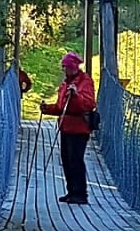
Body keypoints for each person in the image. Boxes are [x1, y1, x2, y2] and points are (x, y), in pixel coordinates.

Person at [40, 51, 98, 204]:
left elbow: (88, 104)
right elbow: (61, 107)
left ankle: (80, 193)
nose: (63, 69)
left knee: (76, 160)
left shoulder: (85, 81)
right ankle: (71, 191)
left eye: (65, 66)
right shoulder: (65, 84)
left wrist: (76, 95)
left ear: (72, 67)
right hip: (66, 127)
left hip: (79, 128)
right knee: (66, 159)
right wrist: (47, 109)